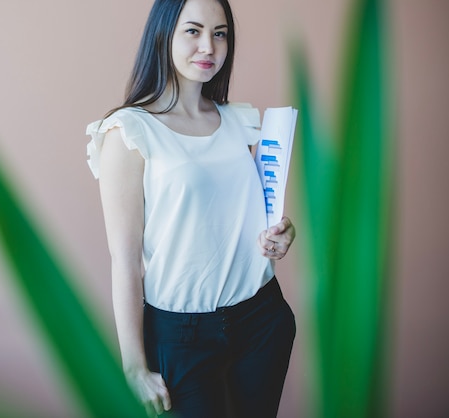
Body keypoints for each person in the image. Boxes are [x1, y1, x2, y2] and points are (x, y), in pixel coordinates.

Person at [86, 0, 296, 416]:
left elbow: (239, 216)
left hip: (261, 319)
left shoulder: (238, 122)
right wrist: (133, 366)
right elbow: (124, 261)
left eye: (220, 34)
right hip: (180, 335)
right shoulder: (128, 131)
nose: (209, 47)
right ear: (163, 34)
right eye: (193, 31)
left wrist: (279, 235)